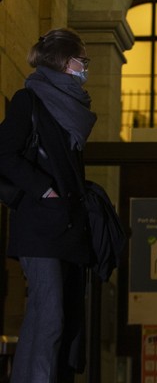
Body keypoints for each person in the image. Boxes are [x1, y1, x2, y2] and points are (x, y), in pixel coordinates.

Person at [0, 28, 96, 383]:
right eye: (80, 60)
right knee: (49, 316)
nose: (85, 68)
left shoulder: (69, 106)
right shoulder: (31, 100)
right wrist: (44, 190)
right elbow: (4, 155)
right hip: (40, 228)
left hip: (67, 230)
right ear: (61, 61)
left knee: (62, 321)